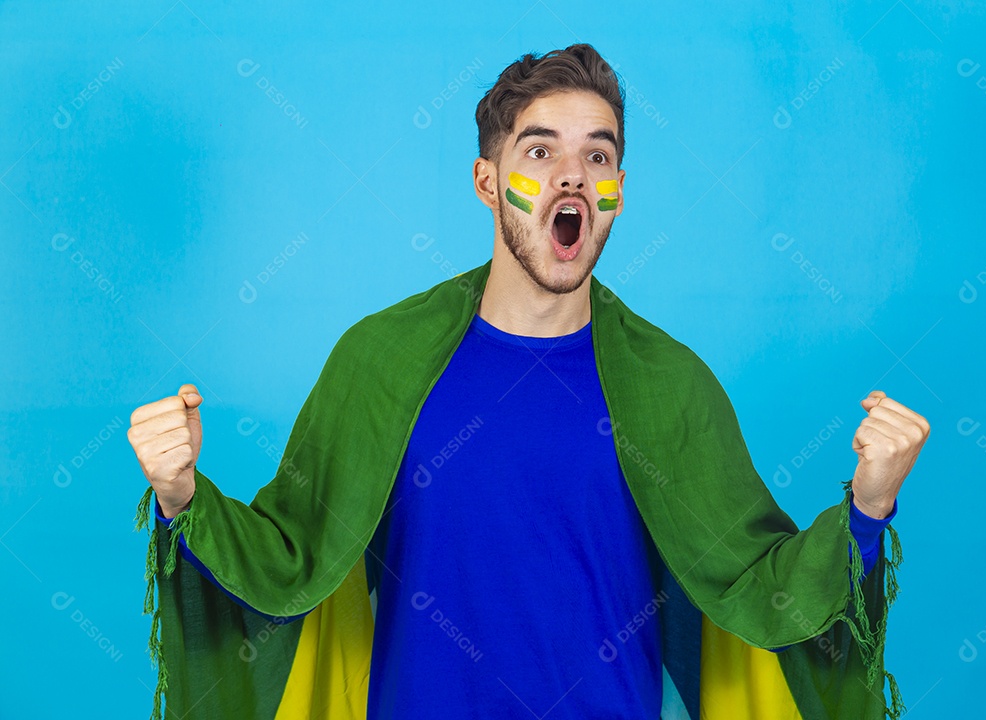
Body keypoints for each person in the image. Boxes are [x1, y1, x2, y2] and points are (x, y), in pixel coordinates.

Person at [128, 43, 929, 720]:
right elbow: (286, 564)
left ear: (619, 192)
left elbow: (761, 593)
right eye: (540, 151)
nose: (572, 177)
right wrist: (181, 499)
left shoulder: (673, 386)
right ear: (487, 181)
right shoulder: (378, 361)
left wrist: (868, 504)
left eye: (598, 155)